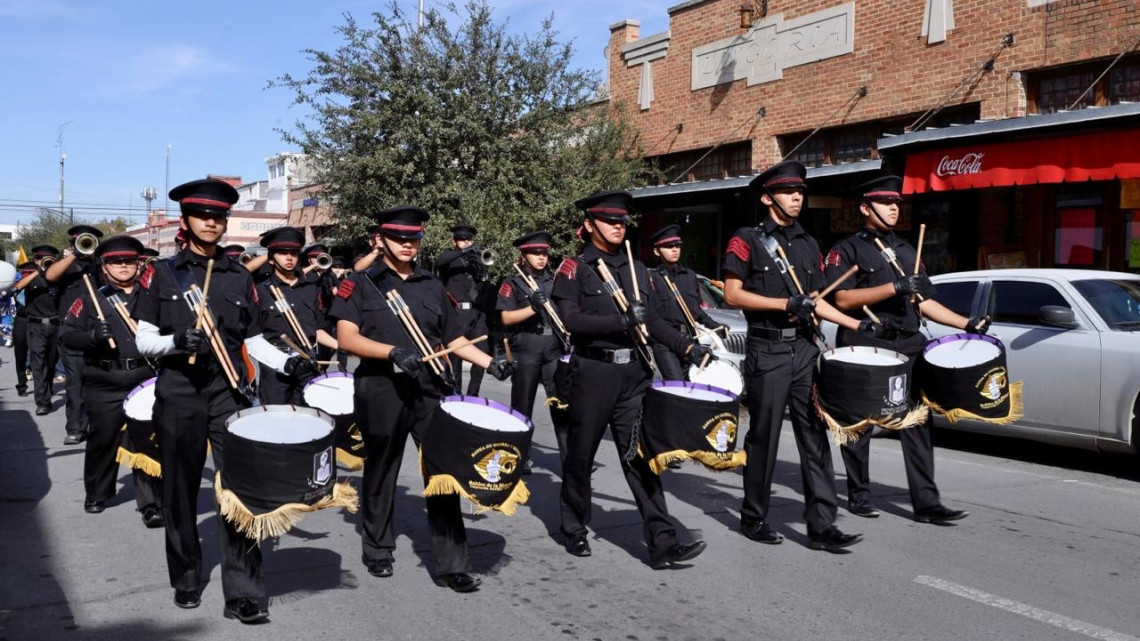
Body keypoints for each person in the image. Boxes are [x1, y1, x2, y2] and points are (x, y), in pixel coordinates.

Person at [330, 205, 514, 592]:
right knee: (382, 469)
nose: (407, 245)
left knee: (443, 471)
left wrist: (490, 362)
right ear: (380, 240)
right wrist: (391, 352)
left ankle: (452, 563)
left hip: (428, 388)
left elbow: (454, 339)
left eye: (413, 238)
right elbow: (347, 339)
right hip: (380, 387)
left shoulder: (432, 284)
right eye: (398, 238)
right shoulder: (360, 284)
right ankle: (378, 548)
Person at [721, 160, 885, 552]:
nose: (797, 197)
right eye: (788, 192)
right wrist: (783, 303)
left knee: (814, 436)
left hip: (803, 350)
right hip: (768, 349)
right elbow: (731, 293)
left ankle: (822, 523)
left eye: (800, 193)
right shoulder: (746, 239)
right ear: (767, 197)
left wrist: (857, 324)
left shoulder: (809, 243)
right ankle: (754, 516)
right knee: (765, 437)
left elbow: (815, 302)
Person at [133, 178, 269, 623]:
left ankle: (244, 590)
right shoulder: (162, 273)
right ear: (186, 221)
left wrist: (290, 365)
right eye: (202, 215)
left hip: (228, 394)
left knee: (239, 491)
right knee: (179, 490)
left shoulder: (238, 276)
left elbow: (254, 338)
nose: (211, 222)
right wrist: (176, 341)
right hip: (179, 392)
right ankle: (187, 577)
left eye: (218, 216)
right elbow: (143, 340)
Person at [551, 190, 710, 569]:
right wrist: (620, 321)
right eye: (610, 221)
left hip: (633, 375)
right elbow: (569, 320)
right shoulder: (575, 268)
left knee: (642, 457)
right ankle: (574, 527)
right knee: (580, 456)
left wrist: (687, 347)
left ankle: (662, 541)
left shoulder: (637, 269)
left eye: (622, 221)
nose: (618, 226)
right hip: (592, 373)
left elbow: (652, 321)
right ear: (589, 225)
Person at [824, 174, 985, 524]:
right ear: (866, 208)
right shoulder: (847, 250)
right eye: (885, 203)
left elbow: (924, 302)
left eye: (897, 203)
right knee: (860, 424)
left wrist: (966, 323)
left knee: (918, 423)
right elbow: (842, 298)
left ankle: (927, 503)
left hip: (909, 346)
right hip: (868, 345)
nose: (894, 208)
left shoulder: (907, 249)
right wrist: (893, 287)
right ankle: (859, 494)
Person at [58, 235, 163, 527]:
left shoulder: (152, 296)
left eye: (129, 261)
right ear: (104, 266)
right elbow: (66, 335)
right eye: (116, 262)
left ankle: (151, 503)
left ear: (139, 264)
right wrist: (92, 337)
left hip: (144, 377)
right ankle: (98, 492)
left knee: (147, 441)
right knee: (103, 439)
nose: (124, 266)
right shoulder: (90, 296)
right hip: (104, 379)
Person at [496, 231, 568, 472]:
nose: (541, 257)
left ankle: (570, 458)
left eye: (544, 253)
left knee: (561, 404)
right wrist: (532, 307)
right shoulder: (512, 282)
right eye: (535, 253)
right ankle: (519, 456)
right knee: (522, 404)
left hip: (553, 347)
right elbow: (506, 318)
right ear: (523, 255)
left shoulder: (555, 281)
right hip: (526, 346)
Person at [243, 226, 335, 405]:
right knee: (276, 423)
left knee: (310, 421)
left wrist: (341, 345)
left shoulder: (311, 288)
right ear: (270, 258)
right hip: (274, 366)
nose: (289, 257)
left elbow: (317, 330)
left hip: (308, 362)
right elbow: (253, 337)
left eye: (293, 252)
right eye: (282, 252)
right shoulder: (260, 290)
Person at [45, 225, 105, 445]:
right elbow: (50, 276)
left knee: (101, 381)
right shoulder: (66, 267)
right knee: (76, 383)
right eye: (80, 242)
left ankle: (100, 425)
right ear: (72, 244)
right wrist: (74, 256)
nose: (86, 247)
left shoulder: (101, 266)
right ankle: (76, 428)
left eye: (88, 242)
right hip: (73, 332)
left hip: (100, 330)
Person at [646, 224, 728, 380]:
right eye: (669, 246)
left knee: (690, 384)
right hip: (665, 342)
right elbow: (652, 316)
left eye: (677, 245)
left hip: (689, 338)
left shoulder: (689, 276)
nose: (675, 249)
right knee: (675, 385)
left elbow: (695, 311)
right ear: (657, 251)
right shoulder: (650, 278)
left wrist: (714, 325)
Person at [434, 225, 492, 395]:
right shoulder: (449, 258)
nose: (466, 242)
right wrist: (464, 252)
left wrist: (479, 262)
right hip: (456, 312)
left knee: (482, 351)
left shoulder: (475, 259)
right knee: (455, 357)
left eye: (469, 239)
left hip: (476, 313)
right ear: (454, 241)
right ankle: (455, 393)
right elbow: (439, 262)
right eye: (462, 239)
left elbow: (482, 281)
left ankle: (473, 394)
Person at [20, 246, 63, 416]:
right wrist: (39, 270)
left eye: (49, 258)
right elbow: (17, 287)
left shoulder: (59, 278)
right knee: (38, 364)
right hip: (36, 326)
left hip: (55, 325)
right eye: (41, 258)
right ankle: (42, 402)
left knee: (51, 362)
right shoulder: (30, 278)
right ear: (36, 260)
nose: (45, 261)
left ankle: (48, 389)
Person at [11, 261, 37, 397]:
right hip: (21, 321)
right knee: (20, 355)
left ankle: (41, 385)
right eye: (24, 274)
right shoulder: (17, 286)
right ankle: (21, 385)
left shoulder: (40, 285)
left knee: (39, 355)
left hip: (37, 321)